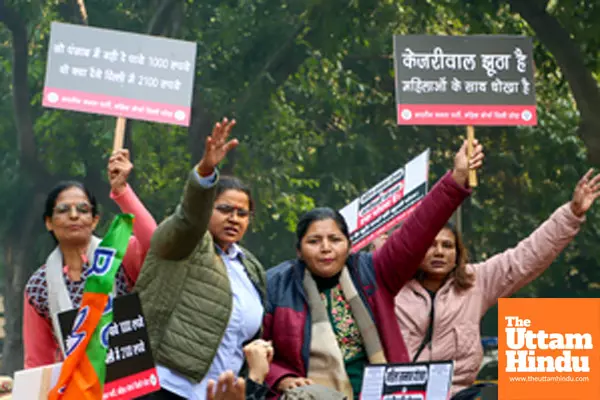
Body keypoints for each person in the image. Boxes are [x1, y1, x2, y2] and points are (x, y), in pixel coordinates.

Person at [263, 140, 485, 399]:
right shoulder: (276, 284)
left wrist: (456, 179)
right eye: (314, 241)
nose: (325, 248)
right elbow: (251, 347)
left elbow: (417, 230)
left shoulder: (371, 272)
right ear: (299, 251)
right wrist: (280, 378)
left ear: (348, 245)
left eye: (335, 240)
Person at [394, 168, 600, 398]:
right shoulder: (390, 288)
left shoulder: (475, 282)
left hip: (458, 393)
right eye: (431, 245)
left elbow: (526, 258)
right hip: (401, 393)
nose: (439, 252)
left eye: (447, 246)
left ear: (457, 252)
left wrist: (571, 214)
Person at [135, 118, 268, 400]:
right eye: (224, 209)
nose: (234, 218)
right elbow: (189, 219)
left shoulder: (251, 267)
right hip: (163, 387)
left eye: (242, 213)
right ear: (208, 208)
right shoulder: (188, 242)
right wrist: (206, 172)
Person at [23, 149, 157, 368]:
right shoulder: (38, 286)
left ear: (95, 220)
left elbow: (154, 243)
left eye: (83, 210)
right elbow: (38, 360)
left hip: (131, 383)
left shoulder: (119, 254)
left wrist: (121, 190)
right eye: (64, 210)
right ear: (49, 222)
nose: (74, 215)